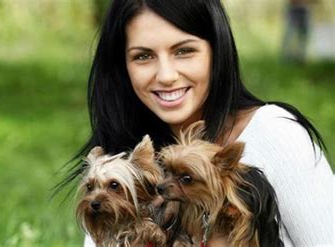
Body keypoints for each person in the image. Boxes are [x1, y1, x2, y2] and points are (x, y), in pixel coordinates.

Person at [56, 0, 333, 246]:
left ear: (217, 50)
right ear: (122, 67)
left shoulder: (275, 133)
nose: (166, 75)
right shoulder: (123, 166)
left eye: (184, 51)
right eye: (143, 56)